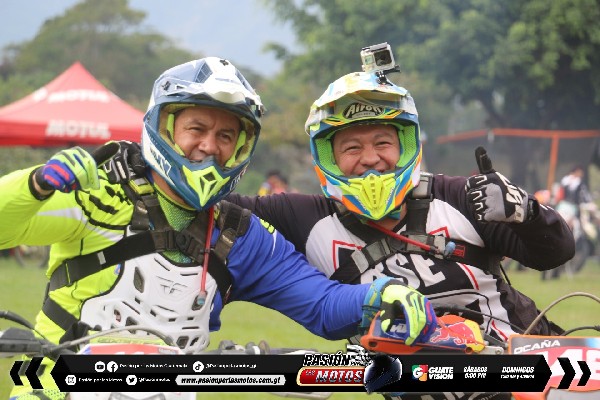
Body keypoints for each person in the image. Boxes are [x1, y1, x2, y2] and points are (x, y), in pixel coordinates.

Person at [0, 58, 438, 399]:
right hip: (53, 389)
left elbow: (320, 304)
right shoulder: (101, 192)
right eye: (196, 129)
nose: (209, 146)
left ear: (241, 148)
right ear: (165, 128)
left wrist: (381, 295)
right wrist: (34, 186)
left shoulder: (238, 235)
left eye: (226, 136)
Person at [226, 67, 575, 400]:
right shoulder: (302, 218)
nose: (370, 158)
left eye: (383, 142)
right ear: (328, 158)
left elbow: (554, 254)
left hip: (534, 374)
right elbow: (211, 209)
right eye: (351, 148)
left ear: (407, 146)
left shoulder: (458, 196)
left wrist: (527, 213)